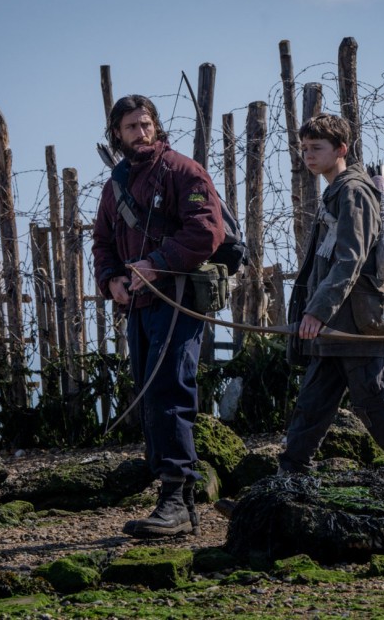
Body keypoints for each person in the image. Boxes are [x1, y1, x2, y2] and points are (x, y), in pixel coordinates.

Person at [91, 94, 224, 538]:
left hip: (177, 300)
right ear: (117, 134)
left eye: (146, 124)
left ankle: (175, 499)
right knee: (150, 396)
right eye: (131, 127)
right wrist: (110, 278)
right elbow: (102, 240)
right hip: (139, 305)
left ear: (156, 126)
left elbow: (206, 229)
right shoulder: (116, 186)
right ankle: (180, 503)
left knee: (169, 392)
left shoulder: (183, 171)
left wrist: (156, 264)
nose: (141, 133)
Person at [279, 113, 384, 475]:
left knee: (376, 402)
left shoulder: (354, 191)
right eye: (304, 149)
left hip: (358, 324)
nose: (308, 156)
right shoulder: (337, 190)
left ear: (341, 149)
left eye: (317, 148)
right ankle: (287, 482)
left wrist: (318, 311)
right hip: (338, 326)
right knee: (312, 405)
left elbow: (351, 260)